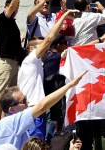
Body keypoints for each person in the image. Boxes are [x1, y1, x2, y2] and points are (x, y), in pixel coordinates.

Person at [18, 9, 77, 140]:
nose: (47, 49)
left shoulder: (32, 64)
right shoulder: (31, 60)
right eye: (42, 46)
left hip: (31, 111)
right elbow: (50, 38)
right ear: (32, 49)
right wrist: (64, 16)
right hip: (33, 111)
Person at [0, 71, 86, 149]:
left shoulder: (7, 123)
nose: (28, 102)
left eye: (26, 98)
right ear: (12, 109)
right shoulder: (11, 122)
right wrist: (70, 85)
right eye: (23, 101)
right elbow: (42, 106)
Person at [0, 0, 30, 125]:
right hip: (5, 62)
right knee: (0, 94)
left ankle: (5, 121)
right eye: (12, 6)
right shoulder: (3, 18)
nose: (14, 8)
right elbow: (11, 7)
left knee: (10, 96)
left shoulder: (12, 24)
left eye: (16, 7)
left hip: (14, 63)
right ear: (6, 7)